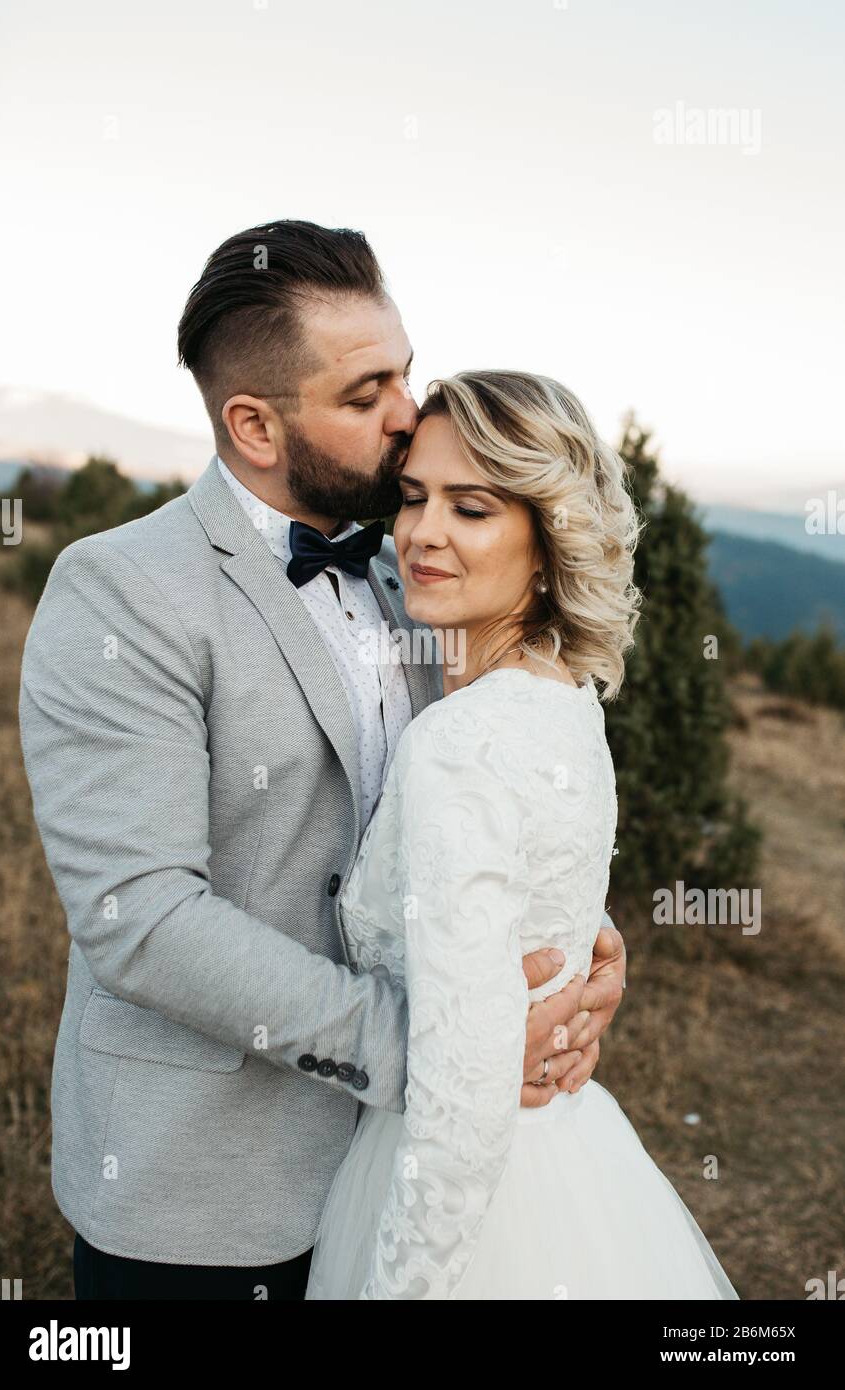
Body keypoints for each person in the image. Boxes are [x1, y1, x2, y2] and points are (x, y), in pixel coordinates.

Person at [18, 221, 625, 1300]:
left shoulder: (417, 564)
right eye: (364, 394)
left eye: (404, 370)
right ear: (252, 423)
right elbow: (143, 919)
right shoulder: (119, 592)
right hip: (202, 1196)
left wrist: (574, 952)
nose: (408, 414)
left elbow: (474, 807)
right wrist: (447, 1047)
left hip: (401, 1168)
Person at [306, 370, 739, 1300]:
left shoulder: (458, 743)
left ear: (545, 541)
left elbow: (461, 1113)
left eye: (471, 508)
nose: (423, 533)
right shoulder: (569, 700)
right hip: (571, 1157)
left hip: (467, 1205)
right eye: (413, 499)